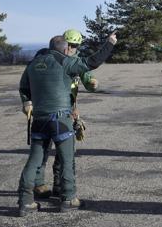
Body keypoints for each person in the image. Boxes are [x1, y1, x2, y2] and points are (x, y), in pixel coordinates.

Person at [17, 32, 116, 216]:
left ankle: (25, 202)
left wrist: (27, 102)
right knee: (67, 160)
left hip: (38, 120)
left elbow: (23, 87)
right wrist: (109, 43)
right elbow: (91, 62)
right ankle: (69, 198)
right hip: (61, 120)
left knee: (34, 160)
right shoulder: (64, 61)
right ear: (64, 48)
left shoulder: (32, 64)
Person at [33, 29, 99, 199]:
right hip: (49, 110)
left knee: (64, 153)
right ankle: (38, 184)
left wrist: (92, 84)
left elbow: (88, 81)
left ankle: (59, 185)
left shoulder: (76, 61)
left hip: (68, 111)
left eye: (75, 46)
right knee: (43, 149)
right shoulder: (49, 58)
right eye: (70, 45)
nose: (72, 49)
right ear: (64, 44)